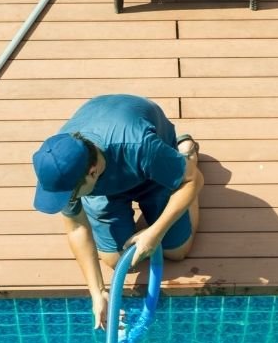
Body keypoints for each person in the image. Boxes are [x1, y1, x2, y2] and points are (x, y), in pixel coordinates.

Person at [29, 95, 203, 330]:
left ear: (92, 172)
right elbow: (76, 227)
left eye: (71, 195)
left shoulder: (139, 146)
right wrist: (97, 292)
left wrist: (155, 232)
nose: (68, 200)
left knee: (177, 251)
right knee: (116, 260)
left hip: (149, 170)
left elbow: (194, 181)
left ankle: (184, 154)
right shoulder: (60, 167)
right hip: (108, 183)